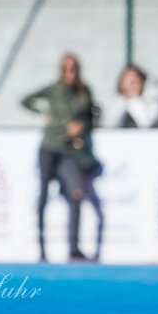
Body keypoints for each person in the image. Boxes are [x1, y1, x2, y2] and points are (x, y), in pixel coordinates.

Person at [21, 53, 102, 262]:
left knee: (76, 192)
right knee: (43, 195)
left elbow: (92, 118)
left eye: (74, 68)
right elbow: (25, 100)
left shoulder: (84, 92)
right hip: (50, 147)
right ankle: (41, 248)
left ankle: (74, 248)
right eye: (66, 69)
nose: (70, 73)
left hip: (69, 152)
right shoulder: (54, 90)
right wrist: (43, 113)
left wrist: (82, 126)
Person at [109, 64, 158, 128]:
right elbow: (111, 124)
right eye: (128, 82)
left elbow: (147, 123)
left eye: (134, 81)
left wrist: (133, 99)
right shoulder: (120, 100)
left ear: (142, 80)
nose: (132, 85)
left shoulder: (156, 97)